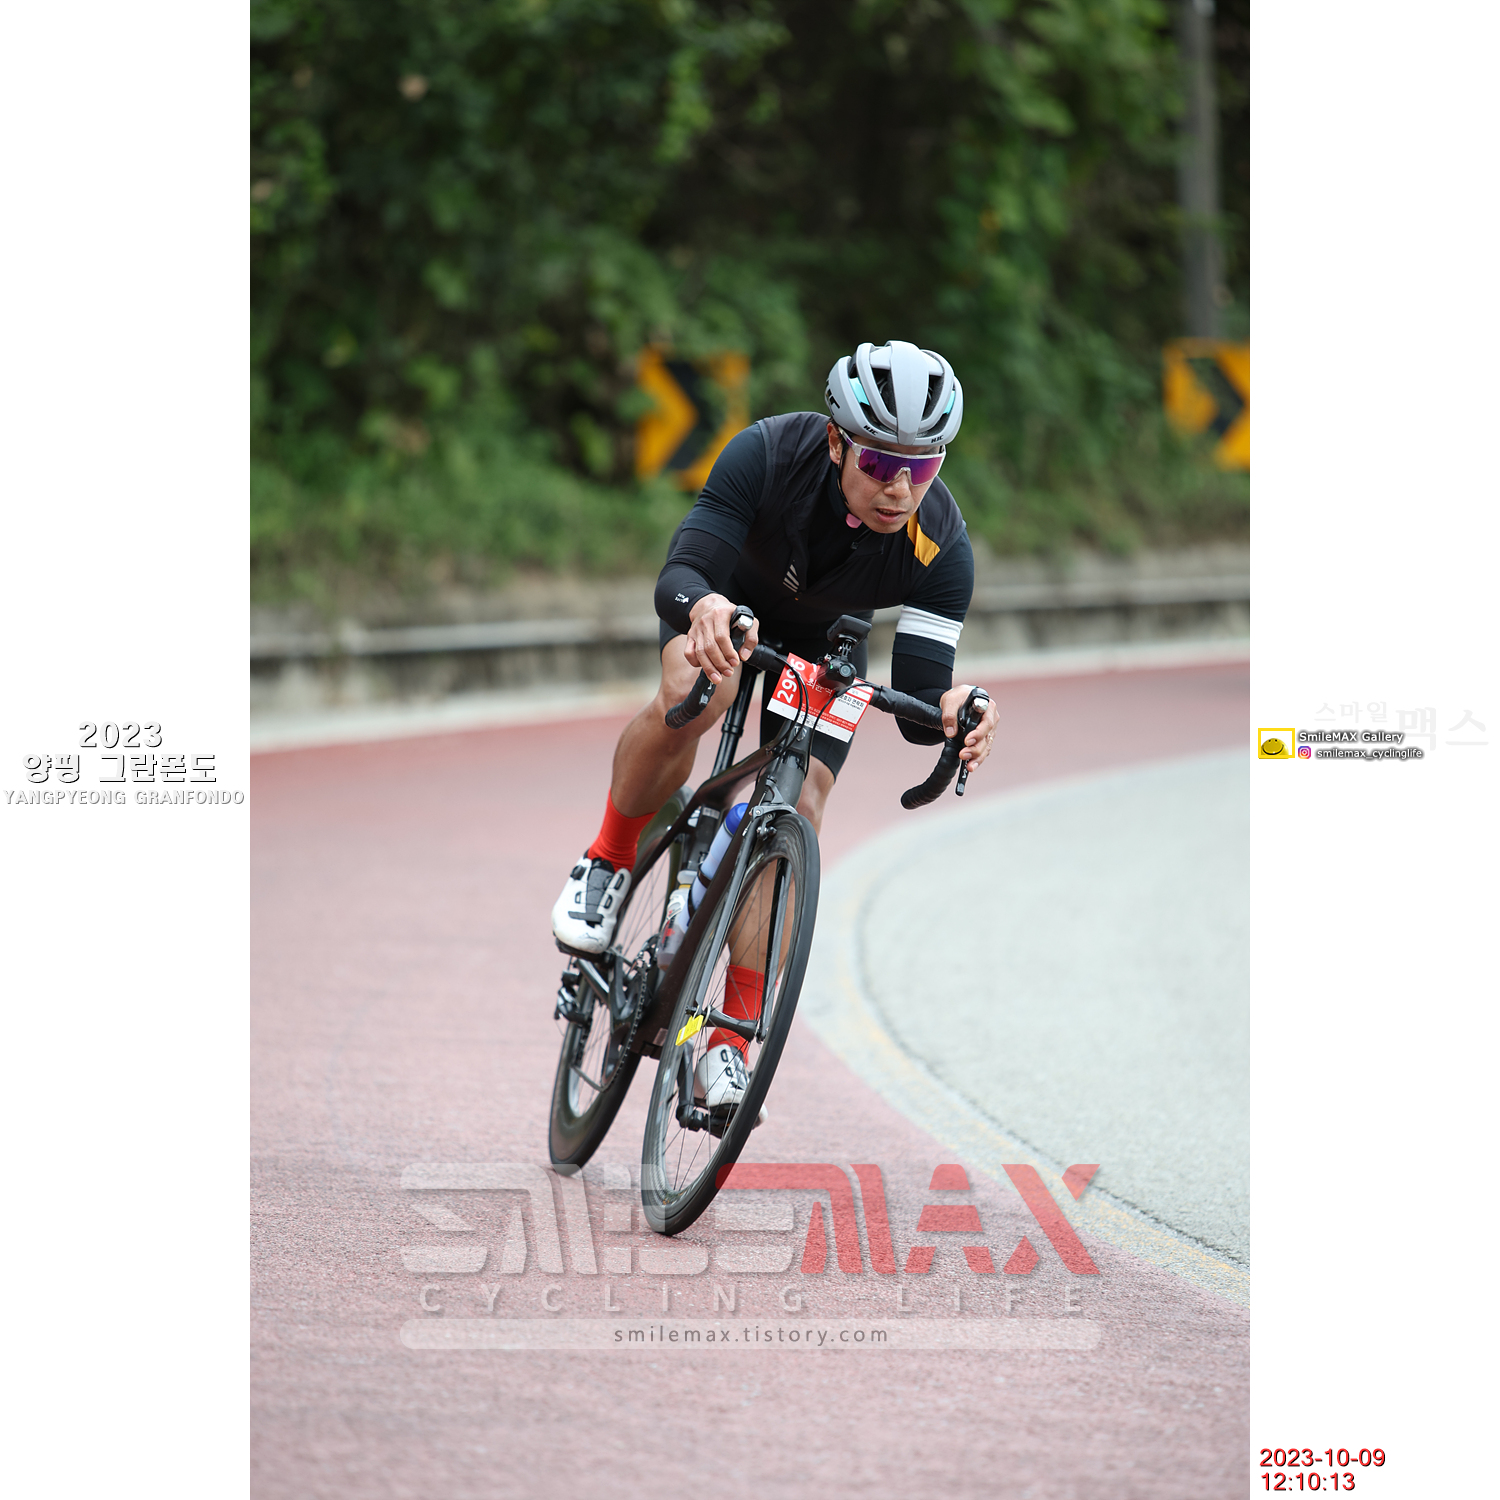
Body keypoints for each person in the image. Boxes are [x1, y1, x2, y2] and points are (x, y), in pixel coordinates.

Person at [551, 339, 1002, 1107]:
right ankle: (607, 859)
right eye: (879, 464)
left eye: (922, 467)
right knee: (702, 688)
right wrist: (706, 607)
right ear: (836, 442)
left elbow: (922, 700)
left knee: (802, 802)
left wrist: (953, 711)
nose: (899, 489)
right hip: (726, 605)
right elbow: (679, 575)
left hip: (829, 643)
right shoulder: (766, 454)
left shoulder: (942, 544)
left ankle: (730, 1037)